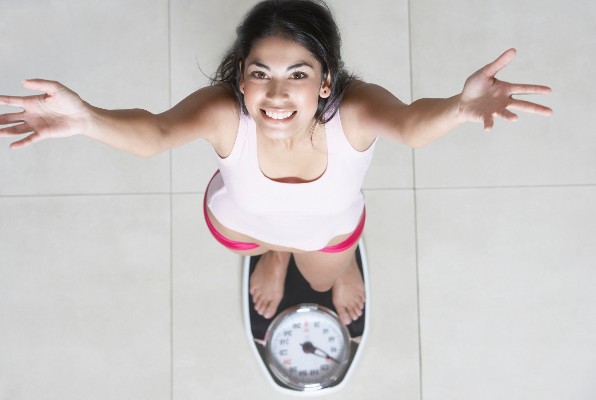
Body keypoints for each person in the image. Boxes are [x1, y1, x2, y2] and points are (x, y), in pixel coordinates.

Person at [0, 0, 551, 325]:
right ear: (242, 78)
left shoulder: (353, 112)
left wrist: (459, 108)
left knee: (324, 271)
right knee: (266, 247)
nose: (277, 95)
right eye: (260, 73)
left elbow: (409, 126)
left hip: (327, 236)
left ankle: (311, 261)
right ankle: (276, 256)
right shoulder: (226, 112)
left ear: (326, 80)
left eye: (298, 74)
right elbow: (156, 134)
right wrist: (87, 119)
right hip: (239, 224)